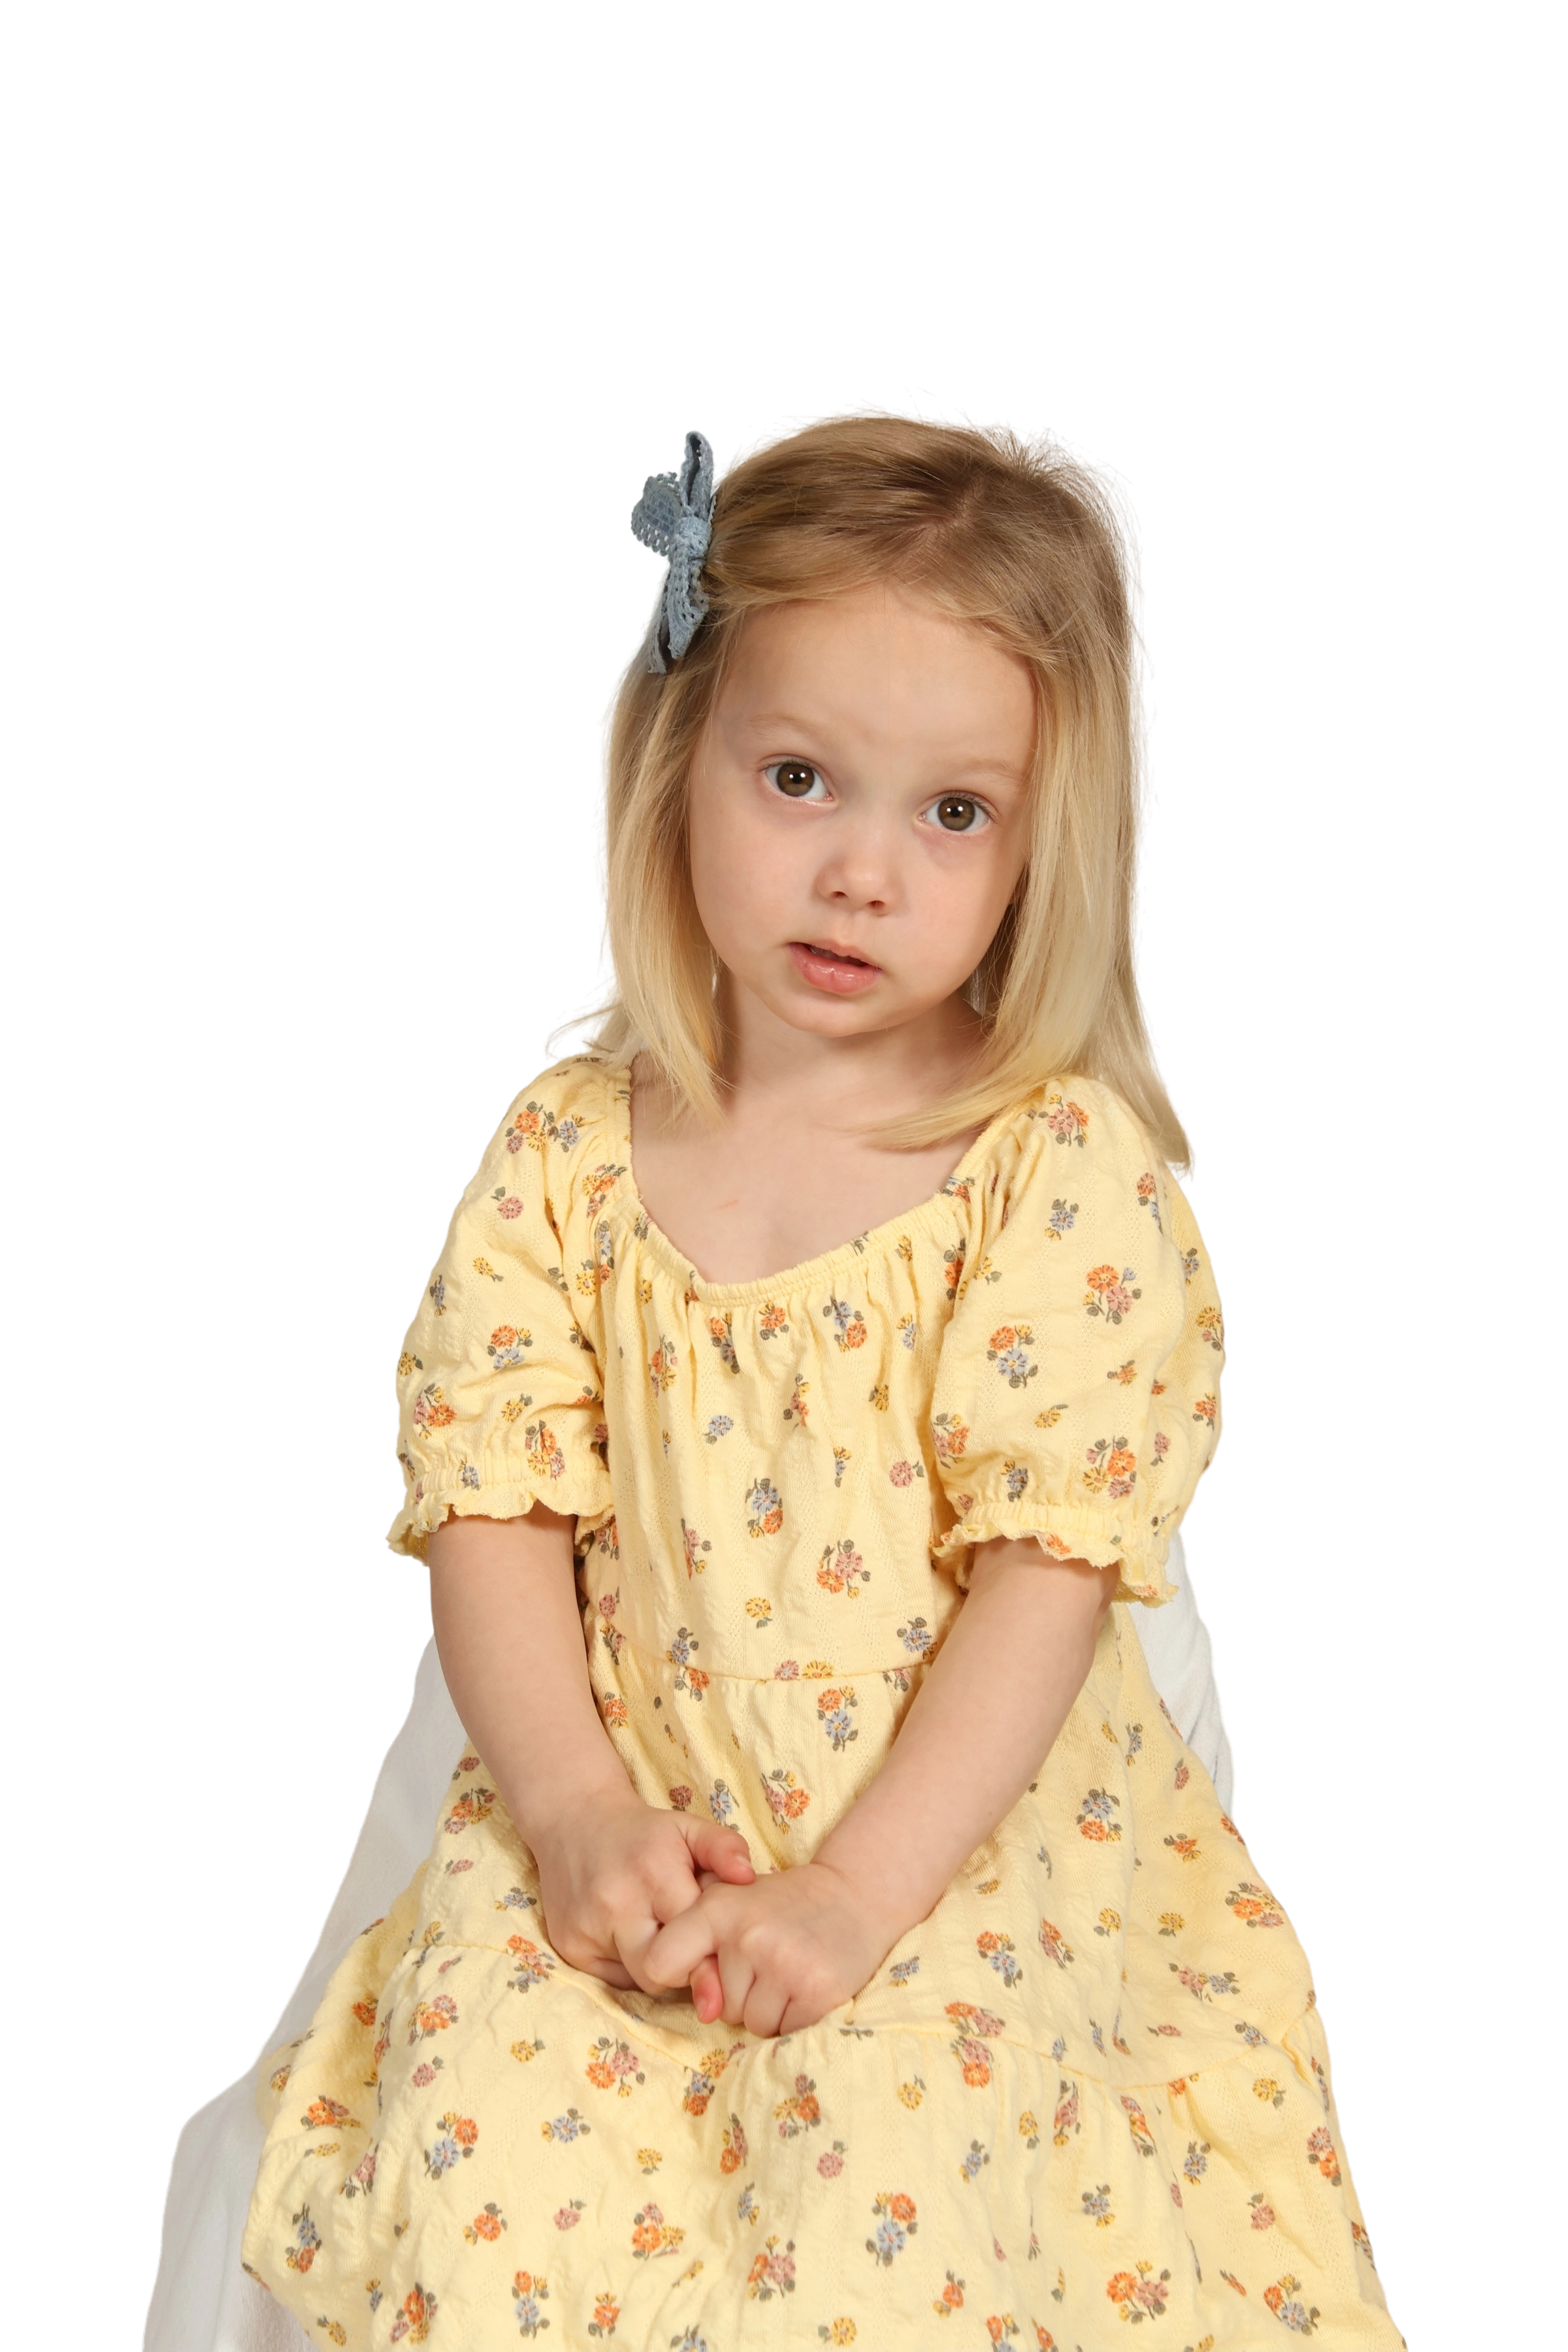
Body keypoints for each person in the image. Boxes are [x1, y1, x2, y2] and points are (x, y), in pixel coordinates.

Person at [240, 400, 1409, 2350]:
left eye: (952, 813)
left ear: (1046, 836)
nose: (863, 872)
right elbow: (491, 1504)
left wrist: (859, 1895)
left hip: (948, 1831)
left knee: (898, 2175)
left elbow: (1045, 1581)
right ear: (679, 758)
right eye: (799, 779)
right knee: (483, 2156)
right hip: (638, 1797)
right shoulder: (570, 1155)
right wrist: (577, 1813)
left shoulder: (1048, 1170)